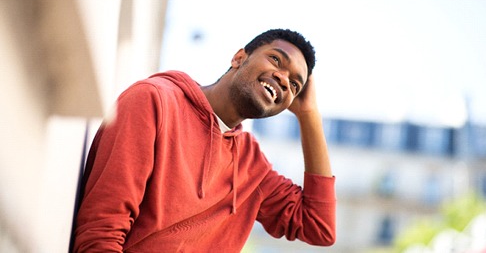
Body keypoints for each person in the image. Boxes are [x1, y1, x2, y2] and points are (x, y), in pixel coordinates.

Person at [72, 28, 336, 252]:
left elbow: (319, 227)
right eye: (276, 60)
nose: (282, 79)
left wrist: (309, 116)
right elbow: (101, 231)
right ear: (239, 58)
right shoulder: (154, 102)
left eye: (294, 85)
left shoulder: (253, 167)